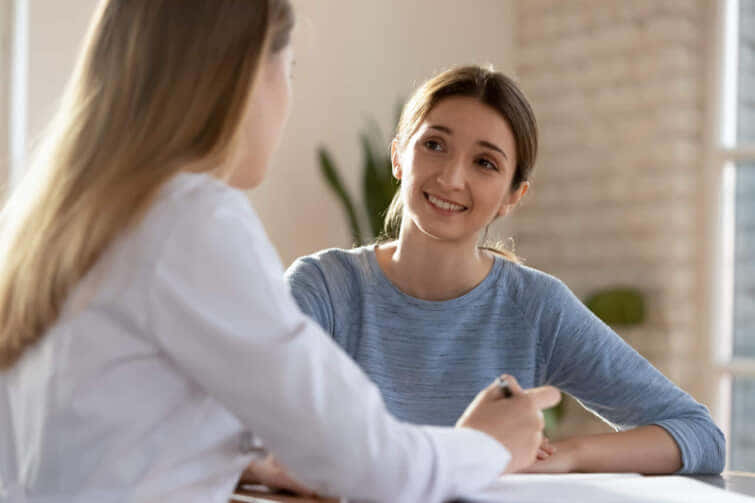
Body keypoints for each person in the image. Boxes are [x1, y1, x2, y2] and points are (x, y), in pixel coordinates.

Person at [0, 4, 561, 503]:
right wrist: (485, 445)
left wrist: (244, 458)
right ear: (243, 76)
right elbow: (374, 466)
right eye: (287, 71)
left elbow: (101, 427)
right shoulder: (192, 220)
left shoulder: (46, 220)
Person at [282, 66, 726, 479]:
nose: (452, 178)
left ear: (514, 196)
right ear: (398, 155)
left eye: (485, 163)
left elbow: (699, 435)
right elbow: (252, 434)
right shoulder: (322, 290)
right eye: (434, 145)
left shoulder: (534, 307)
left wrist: (571, 454)